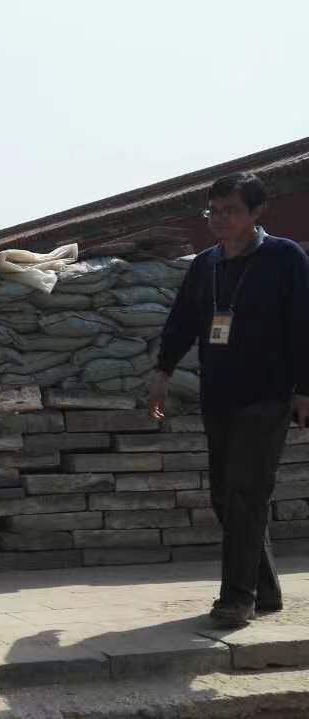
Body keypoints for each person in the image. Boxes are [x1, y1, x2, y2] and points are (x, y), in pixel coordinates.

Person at [150, 172, 309, 629]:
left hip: (267, 394)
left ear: (256, 212)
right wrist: (162, 371)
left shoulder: (284, 258)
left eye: (231, 211)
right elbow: (182, 320)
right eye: (213, 211)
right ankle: (266, 589)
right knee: (226, 496)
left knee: (245, 493)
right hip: (218, 393)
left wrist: (305, 389)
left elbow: (304, 324)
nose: (219, 219)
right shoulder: (206, 264)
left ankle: (237, 599)